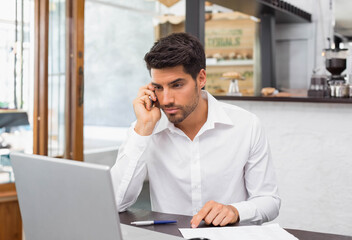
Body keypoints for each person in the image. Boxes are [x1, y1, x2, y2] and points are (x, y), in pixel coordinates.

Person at [111, 32, 280, 228]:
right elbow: (115, 202)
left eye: (177, 85)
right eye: (158, 87)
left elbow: (269, 201)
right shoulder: (145, 128)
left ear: (201, 78)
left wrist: (235, 211)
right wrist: (143, 128)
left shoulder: (246, 125)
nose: (166, 100)